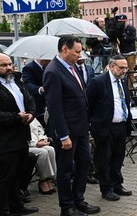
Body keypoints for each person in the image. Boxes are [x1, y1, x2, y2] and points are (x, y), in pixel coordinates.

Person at [43, 36, 100, 216]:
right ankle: (66, 207)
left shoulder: (73, 67)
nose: (79, 55)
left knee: (84, 164)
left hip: (81, 128)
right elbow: (55, 106)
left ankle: (79, 199)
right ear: (64, 49)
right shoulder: (53, 71)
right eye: (76, 51)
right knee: (66, 170)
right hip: (66, 132)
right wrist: (63, 135)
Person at [0, 53, 39, 216]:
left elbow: (30, 100)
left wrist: (31, 114)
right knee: (5, 178)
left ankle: (15, 205)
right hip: (1, 140)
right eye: (3, 65)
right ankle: (1, 210)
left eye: (10, 64)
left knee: (17, 175)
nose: (8, 68)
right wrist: (16, 118)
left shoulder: (16, 81)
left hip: (20, 136)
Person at [86, 55, 133, 202]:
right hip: (104, 127)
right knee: (104, 159)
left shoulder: (123, 81)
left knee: (118, 157)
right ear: (111, 67)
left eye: (126, 68)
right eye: (121, 68)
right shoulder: (98, 82)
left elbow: (124, 101)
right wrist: (92, 124)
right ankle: (106, 188)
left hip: (121, 125)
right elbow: (88, 104)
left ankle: (117, 184)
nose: (124, 71)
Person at [28, 118, 56, 195]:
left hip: (37, 143)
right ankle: (43, 180)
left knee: (50, 150)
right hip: (28, 146)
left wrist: (42, 139)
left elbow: (40, 129)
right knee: (43, 152)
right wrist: (36, 143)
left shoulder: (31, 117)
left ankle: (49, 179)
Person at [22, 58, 50, 126]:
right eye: (48, 60)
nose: (50, 61)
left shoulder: (49, 67)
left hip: (49, 103)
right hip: (38, 105)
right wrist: (40, 89)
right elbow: (28, 84)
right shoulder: (29, 68)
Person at [117, 14, 137, 90]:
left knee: (130, 71)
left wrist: (125, 36)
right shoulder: (119, 30)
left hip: (130, 52)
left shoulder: (132, 29)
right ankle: (122, 86)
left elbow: (133, 39)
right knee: (121, 70)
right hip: (122, 52)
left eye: (123, 22)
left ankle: (130, 88)